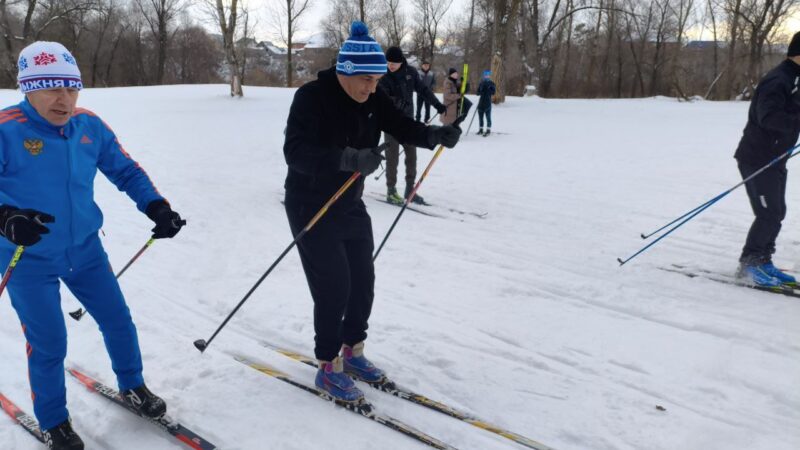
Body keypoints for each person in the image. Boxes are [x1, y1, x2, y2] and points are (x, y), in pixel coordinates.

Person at [0, 41, 185, 450]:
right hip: (26, 257)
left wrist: (157, 207)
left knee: (118, 320)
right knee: (50, 341)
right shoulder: (6, 129)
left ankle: (133, 385)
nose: (63, 99)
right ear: (26, 88)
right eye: (51, 89)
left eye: (71, 88)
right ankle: (54, 421)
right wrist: (6, 217)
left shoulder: (89, 126)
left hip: (84, 249)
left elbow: (126, 170)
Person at [282, 22, 461, 403]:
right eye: (365, 79)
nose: (371, 87)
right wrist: (347, 158)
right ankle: (328, 366)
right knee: (335, 286)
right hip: (311, 203)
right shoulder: (312, 98)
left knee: (363, 279)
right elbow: (294, 154)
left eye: (376, 80)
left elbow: (402, 126)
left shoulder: (374, 97)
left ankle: (353, 351)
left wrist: (433, 136)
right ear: (346, 72)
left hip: (349, 203)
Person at [733, 31, 800, 287]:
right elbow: (768, 117)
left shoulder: (795, 78)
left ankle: (763, 259)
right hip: (758, 158)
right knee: (768, 213)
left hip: (776, 157)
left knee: (777, 211)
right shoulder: (778, 80)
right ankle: (749, 264)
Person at [379, 47, 446, 205]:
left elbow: (423, 90)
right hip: (391, 122)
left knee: (411, 157)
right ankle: (391, 190)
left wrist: (437, 105)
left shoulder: (410, 73)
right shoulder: (383, 75)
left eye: (394, 63)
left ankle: (410, 189)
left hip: (408, 122)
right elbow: (382, 97)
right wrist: (397, 102)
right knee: (392, 158)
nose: (391, 66)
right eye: (388, 62)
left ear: (401, 61)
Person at [476, 70, 496, 137]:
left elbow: (493, 92)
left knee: (488, 117)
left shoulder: (492, 83)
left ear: (489, 76)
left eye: (487, 75)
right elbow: (477, 93)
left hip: (487, 103)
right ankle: (481, 129)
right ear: (483, 76)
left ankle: (488, 130)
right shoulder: (481, 83)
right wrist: (480, 91)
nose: (486, 76)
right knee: (480, 118)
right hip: (481, 103)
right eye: (485, 75)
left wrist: (489, 89)